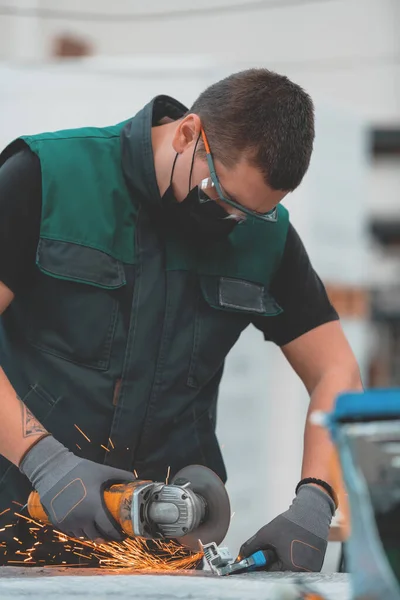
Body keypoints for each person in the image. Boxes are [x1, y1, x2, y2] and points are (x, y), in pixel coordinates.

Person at [0, 68, 363, 570]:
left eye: (251, 214)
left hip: (165, 554)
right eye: (224, 198)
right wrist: (45, 461)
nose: (233, 221)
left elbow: (336, 371)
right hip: (16, 528)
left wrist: (315, 503)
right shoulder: (47, 179)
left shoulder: (263, 236)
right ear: (189, 133)